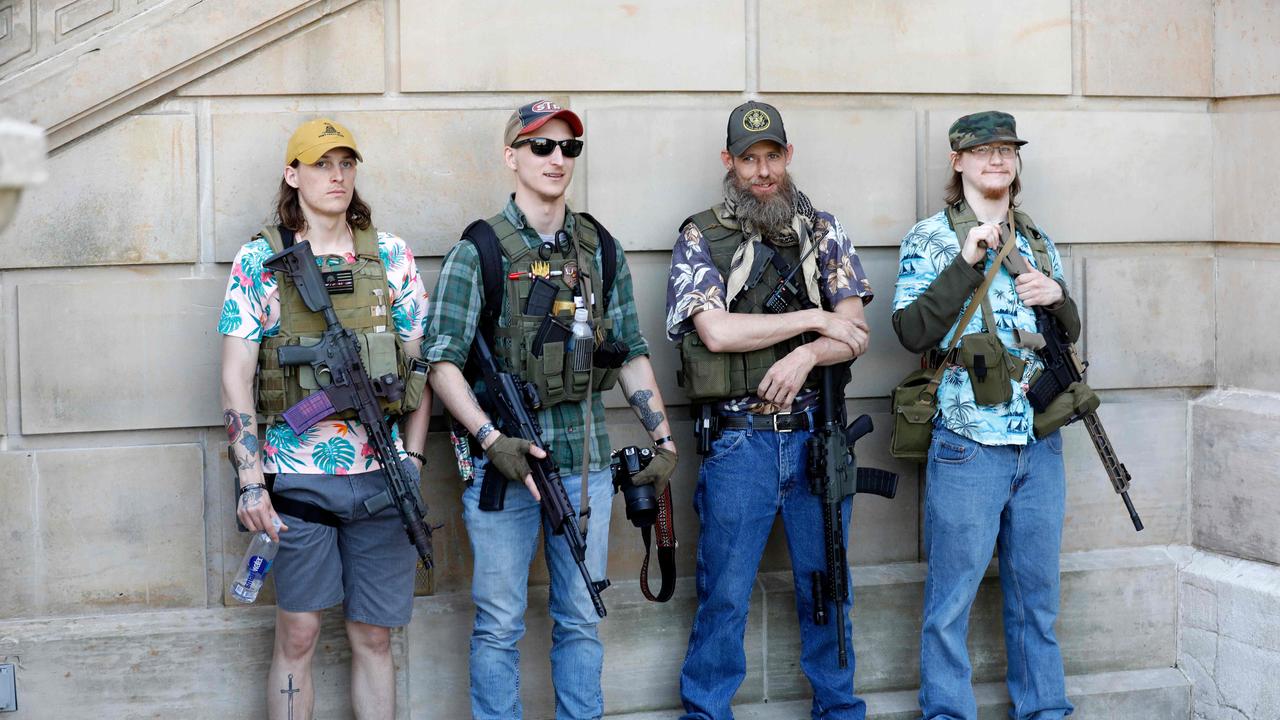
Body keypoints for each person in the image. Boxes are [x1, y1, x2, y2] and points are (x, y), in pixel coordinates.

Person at [423, 99, 679, 720]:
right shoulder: (478, 250)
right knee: (498, 624)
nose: (556, 158)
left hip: (584, 463)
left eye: (568, 148)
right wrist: (490, 439)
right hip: (505, 471)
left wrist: (664, 440)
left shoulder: (600, 246)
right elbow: (441, 360)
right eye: (541, 146)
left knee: (582, 617)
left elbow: (630, 353)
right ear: (511, 156)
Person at [666, 100, 875, 720]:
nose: (763, 171)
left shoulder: (823, 230)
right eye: (749, 159)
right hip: (741, 444)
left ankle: (839, 711)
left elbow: (857, 331)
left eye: (773, 157)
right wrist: (816, 319)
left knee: (829, 588)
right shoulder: (700, 234)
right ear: (728, 162)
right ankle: (706, 713)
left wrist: (807, 357)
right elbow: (717, 333)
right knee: (724, 597)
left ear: (789, 156)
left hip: (817, 436)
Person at [219, 117, 431, 720]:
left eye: (345, 164)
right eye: (321, 164)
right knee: (299, 634)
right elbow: (236, 374)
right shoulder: (261, 259)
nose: (336, 176)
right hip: (297, 480)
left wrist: (413, 460)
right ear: (293, 175)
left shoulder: (390, 256)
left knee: (375, 637)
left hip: (383, 481)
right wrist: (251, 479)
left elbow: (420, 371)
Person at [892, 111, 1080, 720]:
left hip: (1038, 440)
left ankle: (1045, 709)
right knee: (951, 603)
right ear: (958, 162)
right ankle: (947, 713)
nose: (997, 160)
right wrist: (966, 263)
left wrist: (1061, 300)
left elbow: (1065, 334)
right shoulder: (930, 238)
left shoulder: (1038, 238)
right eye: (983, 151)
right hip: (968, 444)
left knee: (1037, 601)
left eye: (1006, 150)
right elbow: (910, 330)